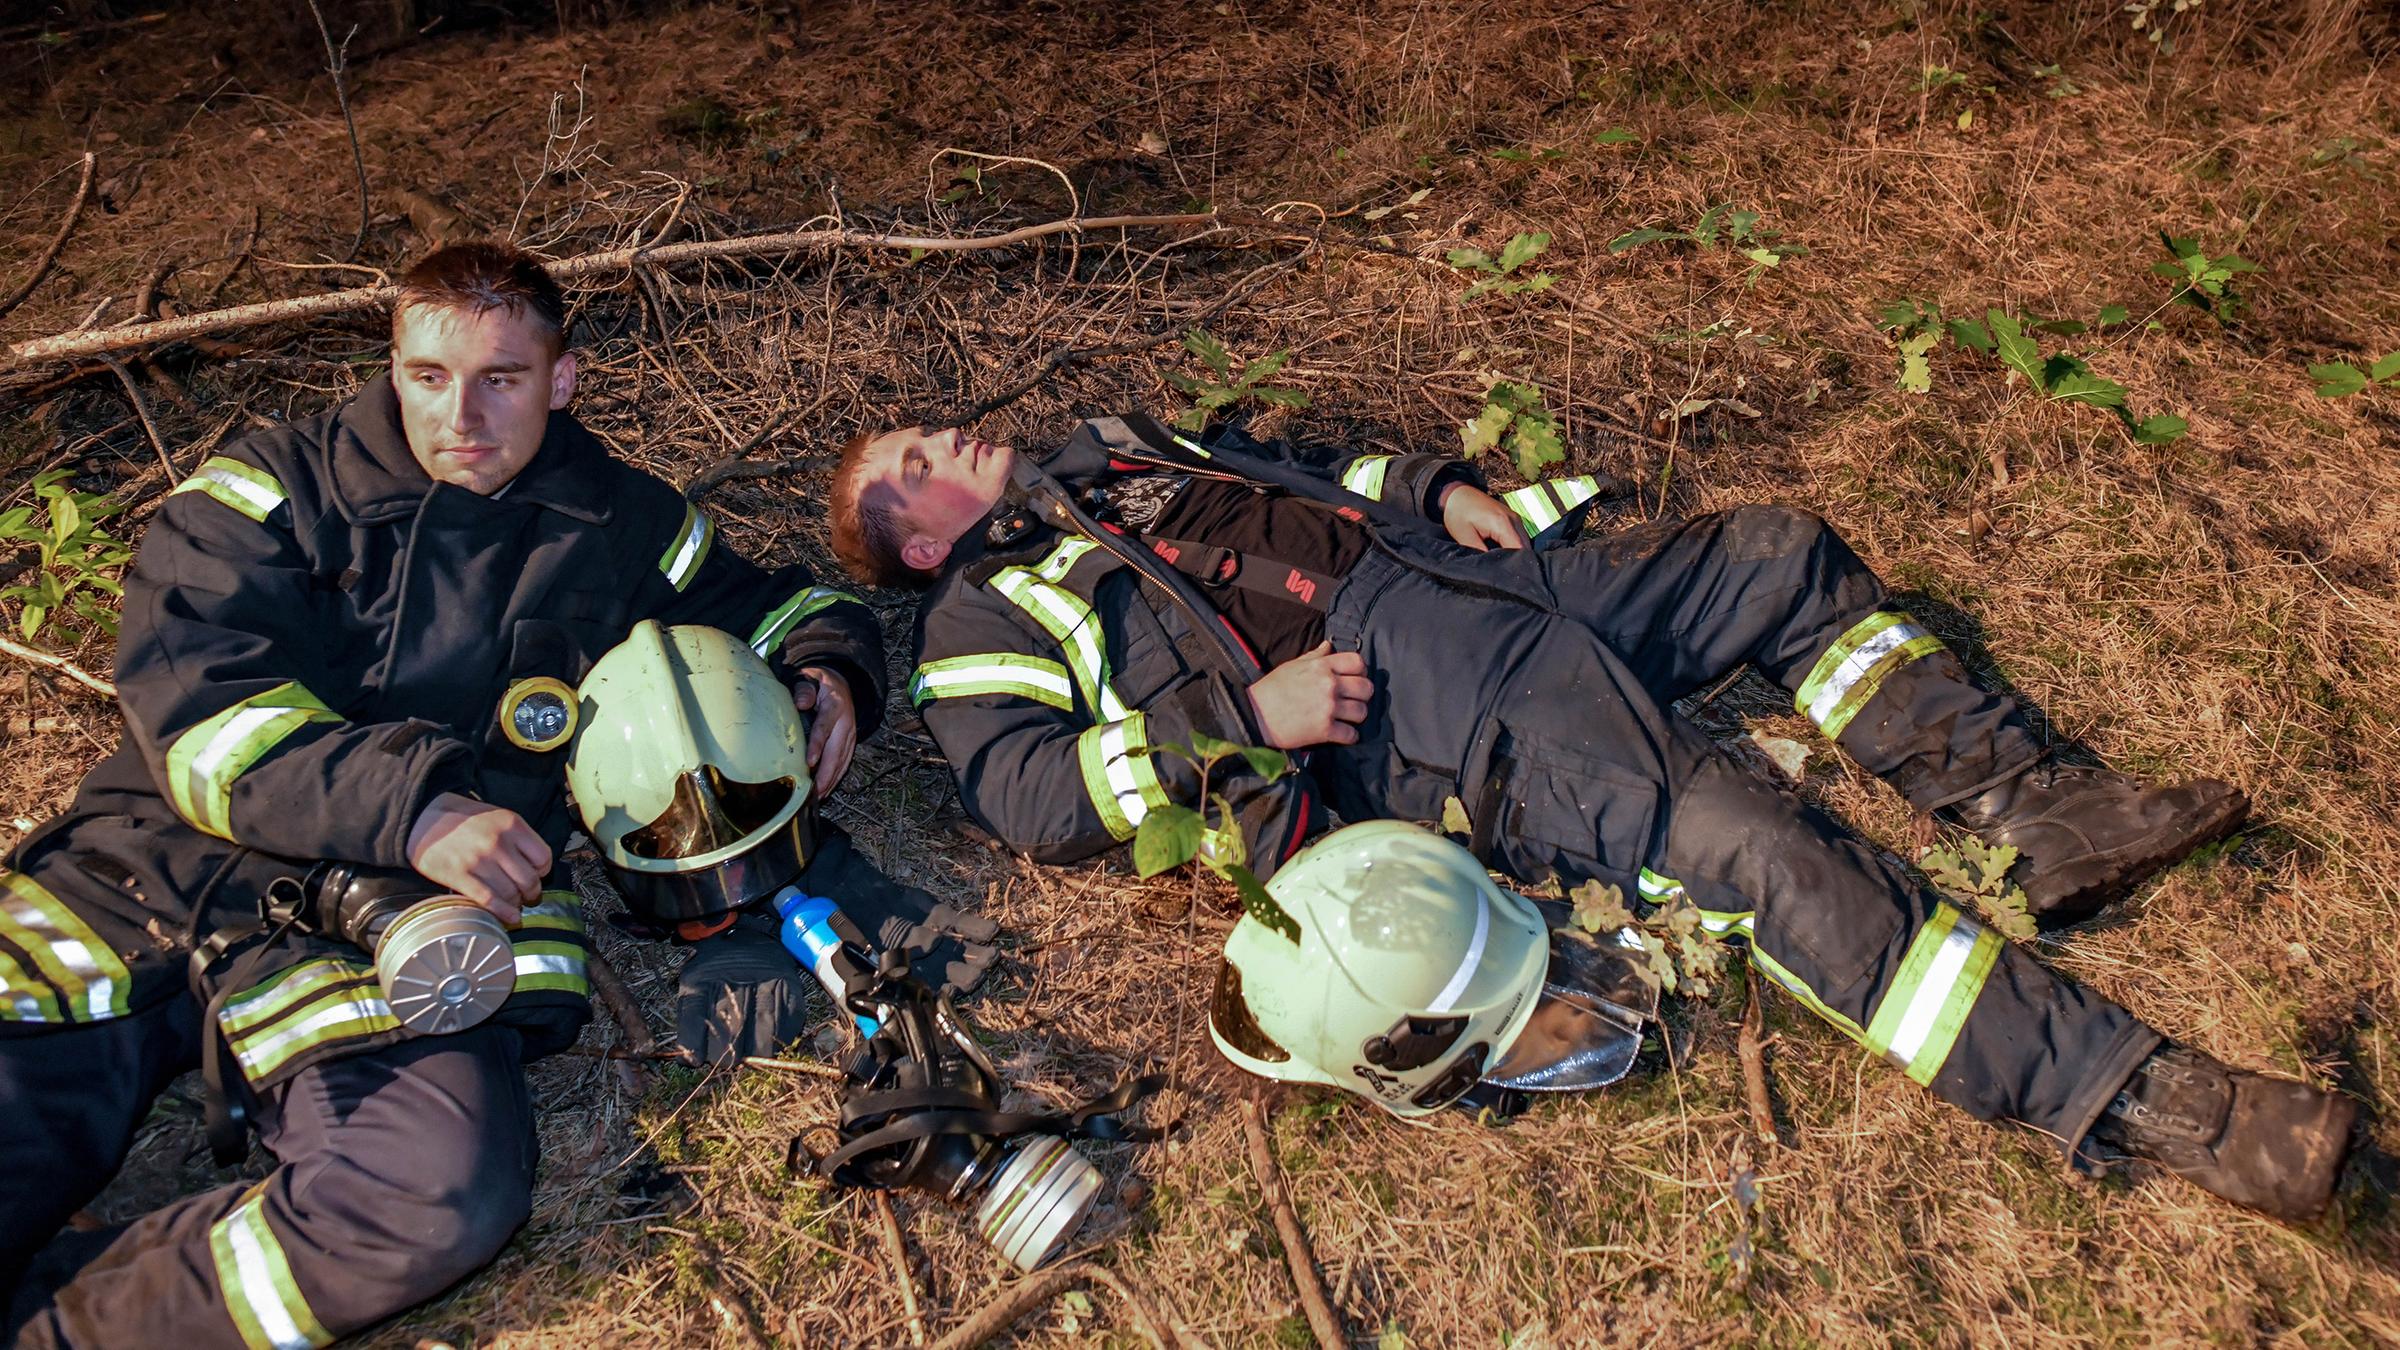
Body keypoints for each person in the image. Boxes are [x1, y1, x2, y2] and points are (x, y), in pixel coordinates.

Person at [825, 410, 2357, 1220]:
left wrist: (1430, 484)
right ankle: (2152, 1103)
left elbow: (1297, 464)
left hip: (1509, 585)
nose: (941, 438)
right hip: (1449, 719)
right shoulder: (976, 623)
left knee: (1774, 553)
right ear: (904, 546)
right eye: (907, 462)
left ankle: (2036, 805)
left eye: (923, 429)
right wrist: (1245, 721)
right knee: (1765, 850)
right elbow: (1022, 787)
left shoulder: (1111, 449)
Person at [0, 242, 887, 1348]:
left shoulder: (615, 520)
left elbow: (764, 603)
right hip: (165, 868)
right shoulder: (272, 484)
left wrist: (828, 671)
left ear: (562, 380)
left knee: (433, 1200)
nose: (459, 415)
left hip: (401, 928)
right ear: (393, 361)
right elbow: (196, 702)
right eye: (427, 376)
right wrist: (416, 807)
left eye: (501, 380)